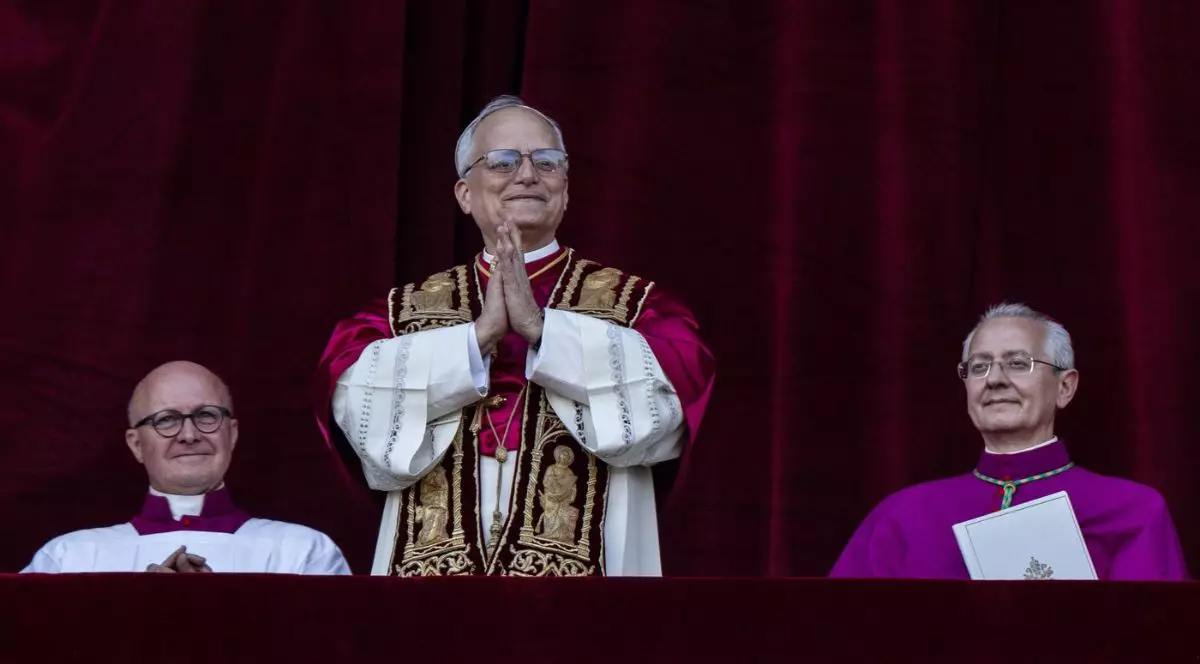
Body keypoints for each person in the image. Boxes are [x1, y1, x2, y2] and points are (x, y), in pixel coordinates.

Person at [314, 95, 715, 577]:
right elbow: (352, 400)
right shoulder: (401, 312)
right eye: (503, 161)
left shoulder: (638, 306)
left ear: (565, 191)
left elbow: (674, 392)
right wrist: (478, 337)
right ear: (464, 194)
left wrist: (544, 331)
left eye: (546, 162)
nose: (527, 174)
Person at [830, 303, 1188, 580]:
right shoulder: (901, 517)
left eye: (1018, 363)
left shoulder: (1133, 513)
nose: (995, 380)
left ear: (1065, 387)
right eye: (980, 366)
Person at [23, 361, 350, 574]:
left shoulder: (305, 555)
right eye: (166, 420)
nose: (189, 435)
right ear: (136, 444)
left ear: (232, 434)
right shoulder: (67, 560)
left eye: (207, 416)